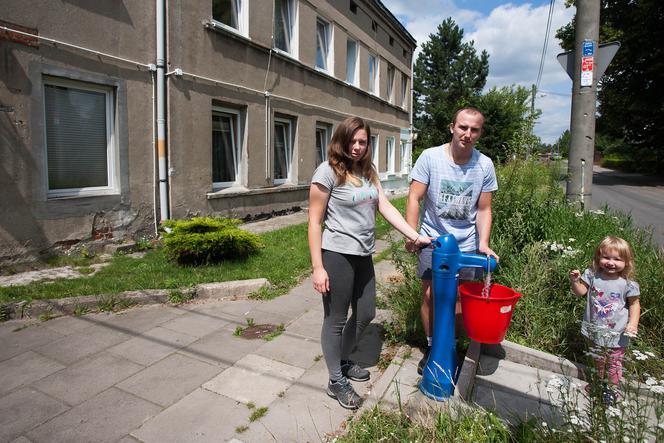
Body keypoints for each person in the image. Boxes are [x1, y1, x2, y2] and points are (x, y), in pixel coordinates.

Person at [308, 116, 430, 410]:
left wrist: (414, 234)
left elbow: (384, 205)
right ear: (342, 140)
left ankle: (343, 359)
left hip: (363, 254)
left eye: (363, 142)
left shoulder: (367, 171)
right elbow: (314, 222)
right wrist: (318, 267)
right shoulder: (327, 172)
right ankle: (336, 380)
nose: (358, 147)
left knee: (366, 313)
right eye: (353, 141)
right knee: (335, 320)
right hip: (337, 254)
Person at [404, 107, 499, 375]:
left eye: (474, 130)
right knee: (431, 295)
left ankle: (452, 347)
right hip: (433, 240)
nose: (467, 134)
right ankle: (434, 346)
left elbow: (484, 209)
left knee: (460, 298)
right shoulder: (431, 157)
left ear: (480, 133)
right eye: (463, 127)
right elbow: (414, 197)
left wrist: (484, 242)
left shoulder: (484, 165)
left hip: (467, 242)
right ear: (452, 127)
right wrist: (413, 235)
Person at [570, 236, 641, 398]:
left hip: (617, 333)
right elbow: (581, 292)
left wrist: (633, 324)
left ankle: (611, 389)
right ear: (598, 257)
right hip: (594, 329)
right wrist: (575, 281)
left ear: (627, 262)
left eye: (617, 259)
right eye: (606, 257)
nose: (611, 262)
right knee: (598, 359)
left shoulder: (628, 284)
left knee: (614, 362)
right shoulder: (593, 275)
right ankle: (598, 384)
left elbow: (635, 304)